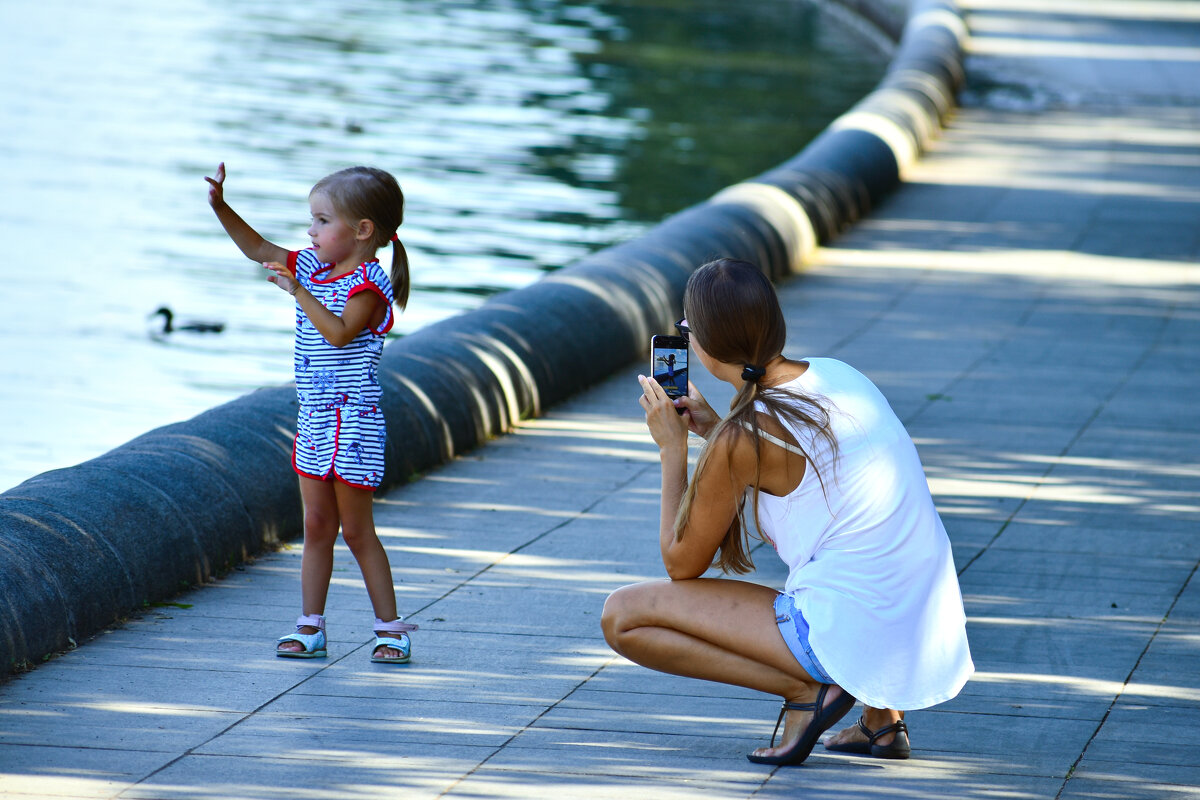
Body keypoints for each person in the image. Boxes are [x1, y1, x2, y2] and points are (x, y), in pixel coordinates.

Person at [601, 258, 973, 765]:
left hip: (853, 630)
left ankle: (806, 692)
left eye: (687, 330)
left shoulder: (746, 436)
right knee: (859, 549)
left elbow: (679, 563)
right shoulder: (837, 376)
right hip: (921, 628)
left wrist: (673, 451)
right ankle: (881, 722)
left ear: (705, 347)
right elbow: (799, 476)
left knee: (623, 616)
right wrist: (715, 432)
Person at [206, 162, 418, 664]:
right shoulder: (312, 268)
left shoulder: (368, 284)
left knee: (356, 530)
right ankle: (311, 625)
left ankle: (390, 629)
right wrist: (221, 207)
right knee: (317, 525)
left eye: (322, 220)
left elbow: (341, 333)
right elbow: (259, 249)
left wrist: (299, 293)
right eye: (311, 220)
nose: (310, 231)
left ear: (362, 231)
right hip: (316, 421)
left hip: (357, 426)